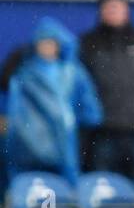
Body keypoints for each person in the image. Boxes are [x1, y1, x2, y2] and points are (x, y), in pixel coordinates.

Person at [5, 17, 103, 183]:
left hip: (64, 142)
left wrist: (78, 122)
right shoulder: (25, 72)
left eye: (51, 42)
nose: (47, 47)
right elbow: (15, 106)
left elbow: (90, 109)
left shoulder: (73, 72)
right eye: (42, 42)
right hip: (27, 143)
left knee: (64, 191)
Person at [78, 0, 134, 179]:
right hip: (101, 134)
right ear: (100, 10)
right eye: (109, 5)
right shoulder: (88, 43)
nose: (113, 10)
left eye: (118, 5)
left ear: (127, 9)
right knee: (101, 192)